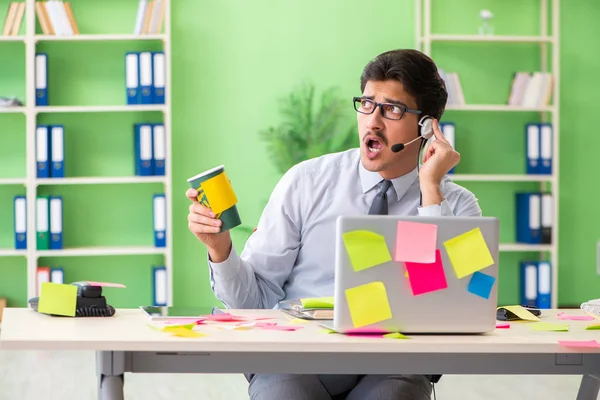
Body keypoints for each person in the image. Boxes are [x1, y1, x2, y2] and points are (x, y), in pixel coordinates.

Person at [187, 49, 482, 400]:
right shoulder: (306, 181)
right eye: (367, 104)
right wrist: (220, 250)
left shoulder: (457, 205)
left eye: (392, 109)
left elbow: (452, 310)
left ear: (426, 126)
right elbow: (253, 301)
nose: (373, 121)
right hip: (298, 357)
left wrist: (430, 189)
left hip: (396, 363)